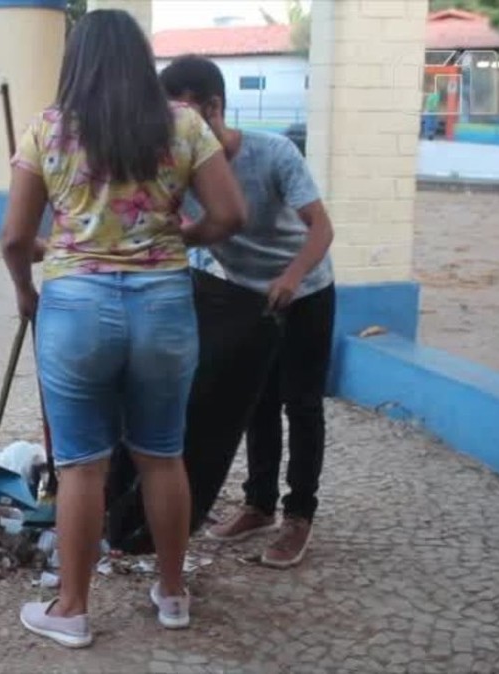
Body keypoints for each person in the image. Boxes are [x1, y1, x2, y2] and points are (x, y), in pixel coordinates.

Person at [1, 10, 246, 649]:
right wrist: (180, 236)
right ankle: (171, 593)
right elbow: (230, 214)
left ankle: (72, 610)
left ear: (76, 61)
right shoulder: (184, 124)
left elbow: (13, 236)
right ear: (141, 60)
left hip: (76, 306)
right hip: (164, 300)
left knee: (83, 465)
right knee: (162, 453)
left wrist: (28, 290)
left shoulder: (48, 129)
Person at [160, 55, 336, 569]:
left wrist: (291, 277)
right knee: (253, 402)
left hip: (305, 292)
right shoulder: (181, 166)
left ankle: (298, 514)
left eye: (185, 115)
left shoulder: (274, 153)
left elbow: (321, 228)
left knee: (301, 405)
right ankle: (258, 504)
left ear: (214, 107)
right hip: (245, 298)